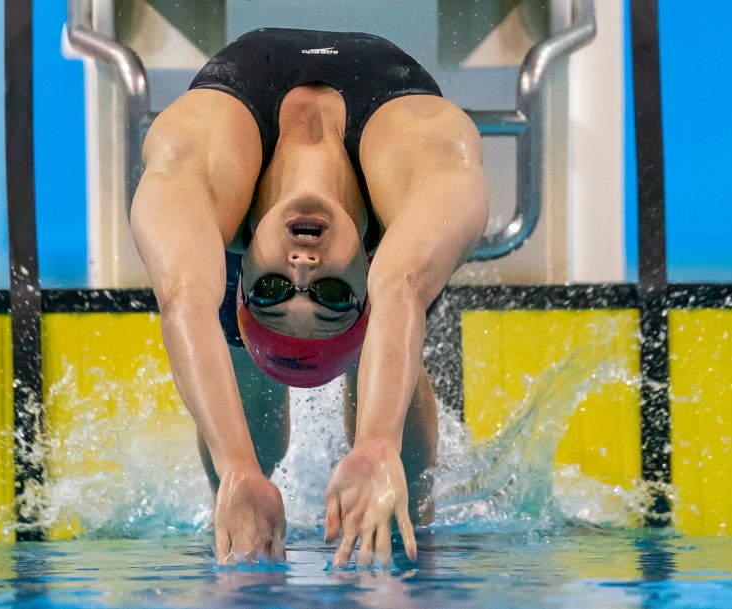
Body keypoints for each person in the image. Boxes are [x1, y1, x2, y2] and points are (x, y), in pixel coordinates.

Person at [130, 27, 488, 567]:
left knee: (244, 426)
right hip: (388, 127)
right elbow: (399, 289)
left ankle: (243, 500)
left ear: (242, 274)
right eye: (332, 295)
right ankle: (410, 522)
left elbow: (184, 297)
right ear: (365, 277)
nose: (302, 267)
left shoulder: (202, 156)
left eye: (273, 290)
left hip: (245, 92)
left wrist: (238, 469)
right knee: (399, 341)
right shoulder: (421, 178)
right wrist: (375, 446)